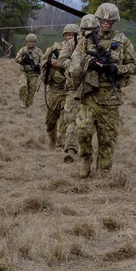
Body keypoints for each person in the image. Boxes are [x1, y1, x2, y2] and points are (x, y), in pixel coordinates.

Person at [67, 3, 136, 178]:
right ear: (98, 20)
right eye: (103, 20)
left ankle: (103, 172)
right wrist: (88, 63)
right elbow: (74, 62)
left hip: (110, 98)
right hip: (89, 94)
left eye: (110, 20)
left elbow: (134, 67)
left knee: (107, 139)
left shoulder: (122, 41)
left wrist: (116, 69)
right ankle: (85, 160)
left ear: (115, 22)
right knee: (82, 130)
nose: (106, 23)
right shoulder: (87, 39)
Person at [58, 15, 96, 163]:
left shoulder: (97, 43)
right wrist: (74, 66)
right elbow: (61, 60)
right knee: (72, 119)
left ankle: (85, 150)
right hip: (74, 87)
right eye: (86, 28)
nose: (88, 31)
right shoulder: (73, 43)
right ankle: (71, 150)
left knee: (88, 123)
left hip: (93, 88)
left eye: (91, 28)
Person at [39, 23, 79, 149]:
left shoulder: (80, 50)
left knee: (66, 119)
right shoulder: (55, 48)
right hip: (54, 89)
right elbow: (42, 61)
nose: (70, 36)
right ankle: (52, 138)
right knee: (50, 121)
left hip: (70, 90)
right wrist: (52, 62)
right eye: (68, 34)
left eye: (73, 34)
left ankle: (62, 146)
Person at [14, 33, 42, 108]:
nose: (31, 43)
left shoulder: (38, 51)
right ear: (27, 42)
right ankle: (22, 101)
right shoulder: (23, 50)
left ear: (35, 42)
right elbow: (16, 59)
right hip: (24, 72)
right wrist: (23, 60)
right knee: (23, 86)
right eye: (29, 41)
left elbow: (43, 61)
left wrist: (38, 66)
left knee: (32, 90)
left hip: (34, 74)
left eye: (33, 42)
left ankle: (28, 105)